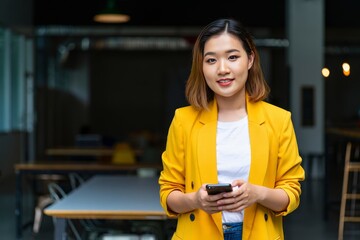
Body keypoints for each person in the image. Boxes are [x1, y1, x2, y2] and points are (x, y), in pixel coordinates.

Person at [158, 18, 305, 240]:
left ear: (250, 59)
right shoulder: (183, 120)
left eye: (233, 57)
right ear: (202, 66)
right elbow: (168, 193)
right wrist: (196, 200)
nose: (222, 69)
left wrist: (258, 193)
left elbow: (291, 193)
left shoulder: (279, 120)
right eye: (211, 60)